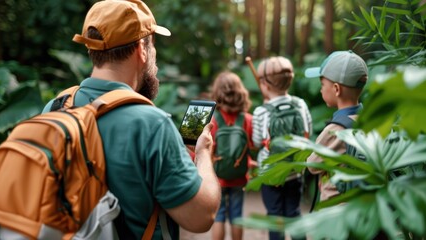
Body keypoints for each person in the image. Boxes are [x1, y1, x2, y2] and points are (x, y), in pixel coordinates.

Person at [42, 0, 221, 239]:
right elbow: (201, 217)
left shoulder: (56, 106)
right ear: (142, 49)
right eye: (153, 44)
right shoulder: (152, 125)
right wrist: (203, 155)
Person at [252, 56, 312, 240]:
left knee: (275, 215)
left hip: (271, 174)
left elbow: (256, 142)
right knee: (293, 212)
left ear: (264, 85)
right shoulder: (300, 104)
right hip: (295, 171)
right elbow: (307, 132)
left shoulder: (261, 111)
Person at [304, 50, 368, 201]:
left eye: (322, 84)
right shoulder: (369, 120)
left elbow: (312, 165)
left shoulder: (336, 130)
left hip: (336, 207)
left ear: (336, 89)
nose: (320, 89)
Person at [209, 71, 254, 240]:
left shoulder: (211, 120)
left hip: (217, 178)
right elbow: (252, 146)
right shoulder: (247, 120)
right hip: (239, 176)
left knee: (218, 216)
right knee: (237, 216)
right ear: (240, 92)